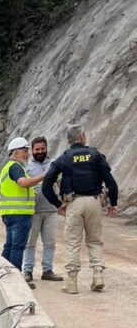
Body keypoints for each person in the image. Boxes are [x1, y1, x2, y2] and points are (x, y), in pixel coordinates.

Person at [42, 124, 118, 294]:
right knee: (94, 240)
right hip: (94, 201)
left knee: (73, 243)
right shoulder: (96, 155)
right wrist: (113, 203)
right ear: (82, 138)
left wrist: (57, 204)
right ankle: (98, 276)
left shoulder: (63, 159)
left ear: (69, 140)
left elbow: (46, 185)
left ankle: (72, 282)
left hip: (73, 203)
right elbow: (110, 182)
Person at [21, 136, 63, 288]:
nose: (39, 151)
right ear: (32, 150)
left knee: (50, 242)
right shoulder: (26, 167)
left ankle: (47, 270)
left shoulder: (54, 164)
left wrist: (62, 202)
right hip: (33, 210)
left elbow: (59, 183)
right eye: (37, 149)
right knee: (30, 243)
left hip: (51, 210)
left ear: (46, 148)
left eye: (42, 149)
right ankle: (27, 271)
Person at [0, 136, 46, 271]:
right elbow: (22, 182)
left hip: (9, 214)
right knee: (17, 247)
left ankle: (3, 273)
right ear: (16, 152)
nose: (27, 154)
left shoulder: (7, 167)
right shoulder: (16, 167)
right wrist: (43, 175)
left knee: (10, 245)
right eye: (25, 150)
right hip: (19, 214)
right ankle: (15, 277)